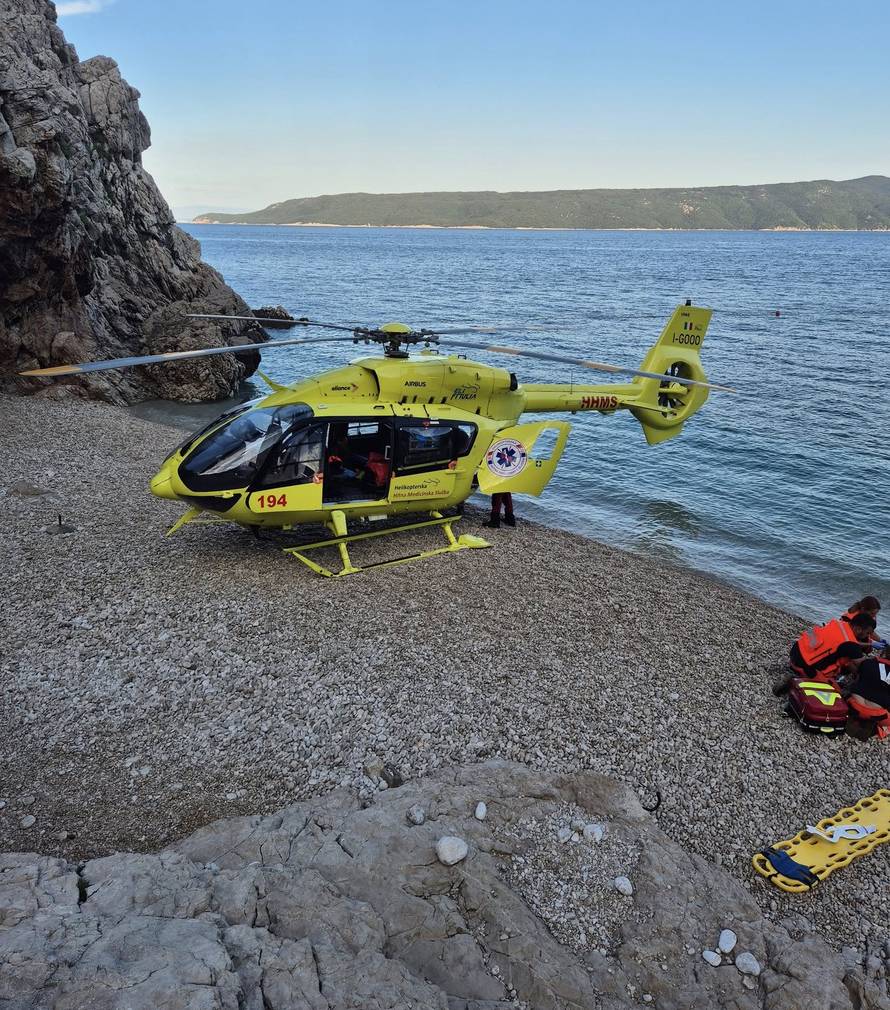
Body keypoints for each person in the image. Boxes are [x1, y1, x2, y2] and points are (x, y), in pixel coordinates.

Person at [774, 614, 875, 695]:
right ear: (858, 629)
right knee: (836, 692)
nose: (868, 636)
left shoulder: (838, 623)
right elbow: (863, 667)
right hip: (804, 666)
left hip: (795, 651)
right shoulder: (851, 644)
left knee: (843, 659)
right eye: (867, 633)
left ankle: (797, 673)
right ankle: (792, 682)